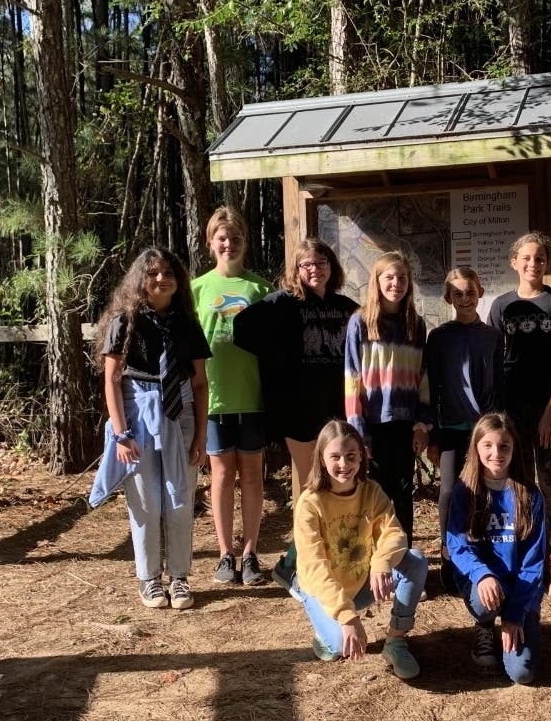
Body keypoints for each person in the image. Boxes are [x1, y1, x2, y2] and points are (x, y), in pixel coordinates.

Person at [233, 238, 358, 594]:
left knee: (334, 484)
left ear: (331, 267)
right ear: (297, 270)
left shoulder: (345, 307)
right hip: (298, 409)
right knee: (311, 486)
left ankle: (306, 558)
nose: (314, 270)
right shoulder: (282, 303)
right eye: (307, 265)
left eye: (321, 263)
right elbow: (241, 329)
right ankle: (297, 564)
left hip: (336, 411)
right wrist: (281, 359)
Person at [93, 247, 210, 610]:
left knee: (180, 499)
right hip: (138, 416)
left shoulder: (187, 323)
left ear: (179, 280)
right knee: (146, 501)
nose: (161, 279)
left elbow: (200, 382)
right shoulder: (124, 321)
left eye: (168, 273)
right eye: (153, 273)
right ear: (140, 279)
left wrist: (201, 435)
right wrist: (121, 434)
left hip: (181, 415)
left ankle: (179, 576)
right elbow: (112, 380)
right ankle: (149, 578)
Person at [291, 420, 427, 680]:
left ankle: (396, 640)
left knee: (415, 561)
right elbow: (316, 565)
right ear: (322, 459)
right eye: (335, 457)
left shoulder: (371, 491)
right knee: (338, 647)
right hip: (323, 587)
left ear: (361, 456)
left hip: (361, 579)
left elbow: (394, 532)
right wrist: (347, 617)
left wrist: (381, 562)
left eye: (351, 456)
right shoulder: (310, 503)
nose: (344, 464)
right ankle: (314, 610)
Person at [487, 232, 551, 599]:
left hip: (547, 408)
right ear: (514, 262)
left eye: (539, 258)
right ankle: (524, 558)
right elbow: (494, 361)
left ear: (546, 262)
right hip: (511, 411)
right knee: (518, 484)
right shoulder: (501, 306)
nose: (533, 264)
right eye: (526, 258)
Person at [191, 207, 272, 587]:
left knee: (253, 476)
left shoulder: (260, 290)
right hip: (214, 399)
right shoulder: (197, 289)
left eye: (236, 238)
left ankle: (251, 553)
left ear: (245, 242)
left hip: (252, 397)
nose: (229, 244)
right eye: (222, 238)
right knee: (221, 477)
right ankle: (225, 554)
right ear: (211, 243)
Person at [445, 413, 546, 684]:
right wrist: (481, 575)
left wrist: (516, 614)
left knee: (522, 673)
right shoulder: (464, 491)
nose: (496, 453)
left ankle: (522, 619)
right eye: (487, 445)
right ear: (476, 448)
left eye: (504, 446)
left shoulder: (530, 495)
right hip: (485, 585)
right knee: (484, 603)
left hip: (521, 586)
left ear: (514, 449)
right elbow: (457, 545)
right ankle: (485, 625)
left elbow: (534, 562)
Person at [344, 251, 430, 544]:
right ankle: (374, 557)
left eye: (402, 278)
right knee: (373, 495)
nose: (396, 284)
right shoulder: (360, 322)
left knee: (403, 493)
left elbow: (423, 378)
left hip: (405, 423)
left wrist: (422, 424)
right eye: (389, 277)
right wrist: (358, 430)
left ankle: (403, 555)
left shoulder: (415, 324)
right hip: (372, 423)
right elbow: (352, 377)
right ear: (377, 281)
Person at [424, 267, 501, 593]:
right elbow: (431, 387)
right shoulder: (439, 337)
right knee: (449, 492)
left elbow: (499, 385)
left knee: (485, 492)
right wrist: (432, 434)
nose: (465, 298)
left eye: (470, 292)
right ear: (448, 298)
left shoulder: (493, 336)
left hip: (485, 430)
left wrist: (498, 429)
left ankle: (483, 556)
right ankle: (449, 556)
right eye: (458, 293)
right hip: (451, 427)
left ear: (480, 292)